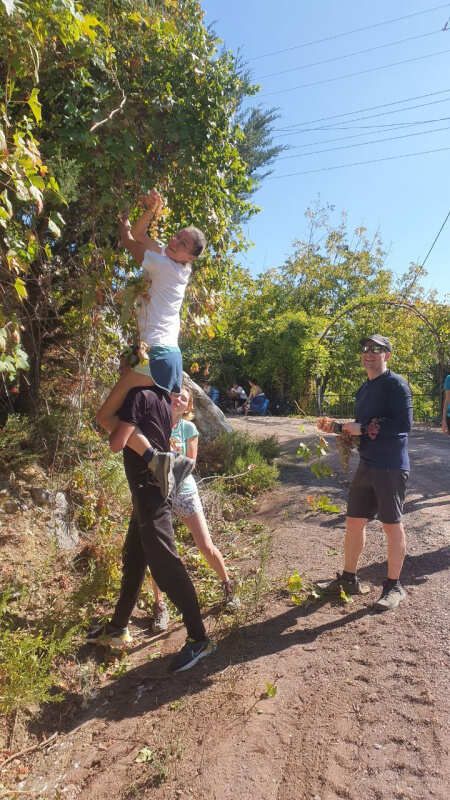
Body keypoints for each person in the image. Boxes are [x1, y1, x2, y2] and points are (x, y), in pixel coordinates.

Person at [87, 380, 216, 672]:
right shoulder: (156, 398)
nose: (121, 372)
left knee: (165, 565)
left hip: (151, 494)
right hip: (145, 494)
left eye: (125, 368)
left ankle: (199, 639)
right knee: (133, 560)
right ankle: (118, 627)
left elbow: (114, 439)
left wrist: (128, 380)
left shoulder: (141, 394)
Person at [96, 189, 207, 497]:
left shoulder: (163, 266)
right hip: (163, 356)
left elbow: (133, 240)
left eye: (182, 243)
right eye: (176, 236)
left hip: (157, 355)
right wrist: (143, 213)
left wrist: (139, 213)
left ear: (190, 256)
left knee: (105, 417)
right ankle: (159, 460)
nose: (174, 241)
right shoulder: (176, 264)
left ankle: (158, 460)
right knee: (145, 424)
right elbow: (139, 236)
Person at [317, 334, 413, 612]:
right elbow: (360, 428)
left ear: (387, 355)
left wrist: (368, 427)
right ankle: (349, 579)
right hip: (368, 464)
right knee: (354, 521)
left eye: (376, 349)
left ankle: (394, 586)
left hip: (391, 466)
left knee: (391, 525)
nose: (369, 353)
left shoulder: (397, 385)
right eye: (365, 349)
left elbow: (404, 424)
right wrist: (337, 428)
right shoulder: (364, 389)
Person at [149, 387, 239, 632]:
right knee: (158, 553)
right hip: (157, 493)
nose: (178, 399)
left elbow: (190, 464)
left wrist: (173, 453)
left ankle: (228, 586)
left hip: (184, 491)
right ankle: (159, 606)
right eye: (175, 394)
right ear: (167, 398)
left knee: (205, 545)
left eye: (184, 398)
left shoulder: (188, 429)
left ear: (188, 407)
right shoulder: (154, 422)